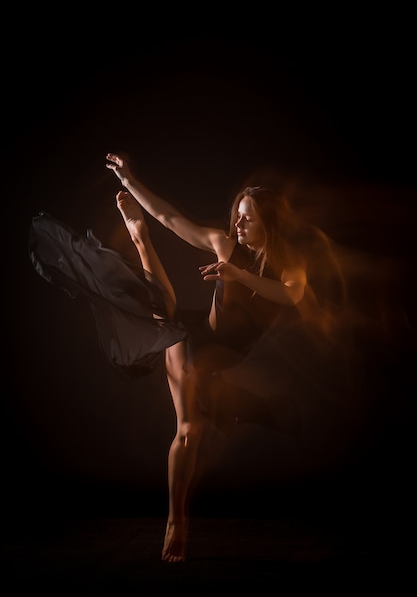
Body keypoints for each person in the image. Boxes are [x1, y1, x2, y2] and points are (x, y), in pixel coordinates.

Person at [29, 152, 346, 563]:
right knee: (189, 423)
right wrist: (129, 180)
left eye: (247, 217)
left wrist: (239, 276)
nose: (238, 223)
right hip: (193, 339)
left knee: (181, 331)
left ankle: (230, 402)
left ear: (269, 221)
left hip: (223, 354)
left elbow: (290, 295)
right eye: (237, 215)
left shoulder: (291, 269)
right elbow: (171, 218)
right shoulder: (224, 244)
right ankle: (176, 521)